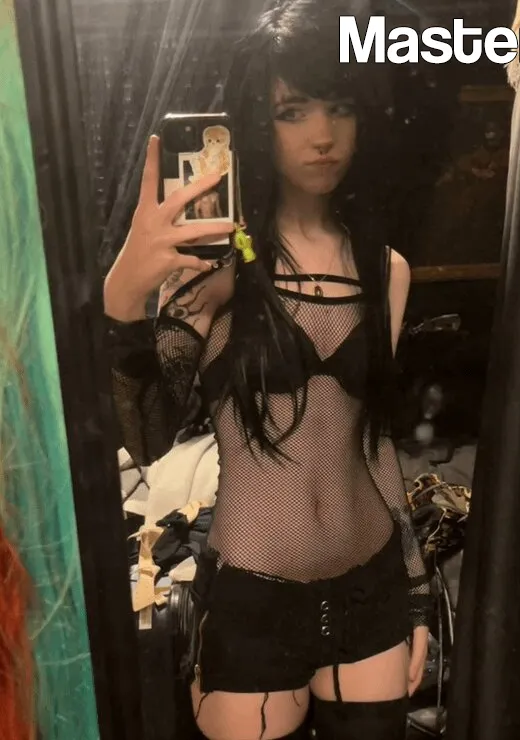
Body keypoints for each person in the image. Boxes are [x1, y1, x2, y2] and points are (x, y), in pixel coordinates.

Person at [103, 1, 431, 738]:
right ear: (258, 122)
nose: (322, 135)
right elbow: (147, 437)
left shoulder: (387, 271)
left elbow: (375, 443)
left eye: (339, 107)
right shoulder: (213, 270)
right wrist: (124, 296)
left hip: (372, 593)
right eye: (292, 111)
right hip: (252, 602)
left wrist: (414, 596)